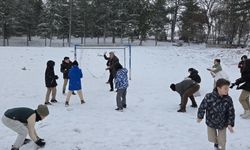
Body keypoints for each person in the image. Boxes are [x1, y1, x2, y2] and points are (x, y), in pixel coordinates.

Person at [197, 79, 235, 150]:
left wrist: (230, 124)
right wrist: (200, 116)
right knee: (211, 139)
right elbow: (202, 107)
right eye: (225, 88)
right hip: (211, 122)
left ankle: (220, 147)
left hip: (223, 123)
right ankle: (216, 143)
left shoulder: (228, 99)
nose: (227, 90)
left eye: (228, 88)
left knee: (222, 141)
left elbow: (231, 112)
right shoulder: (209, 96)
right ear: (218, 88)